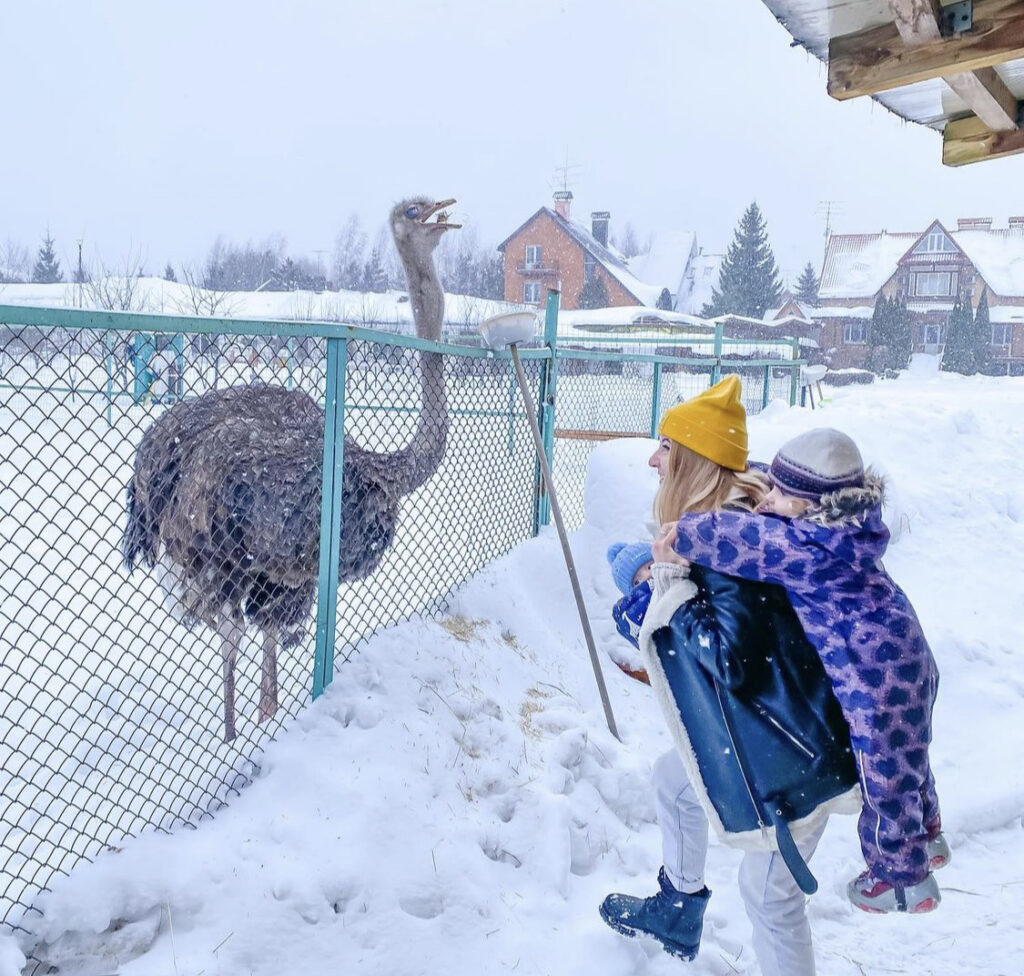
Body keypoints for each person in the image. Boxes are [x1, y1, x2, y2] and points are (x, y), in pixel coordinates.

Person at [599, 377, 860, 976]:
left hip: (791, 756)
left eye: (666, 445)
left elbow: (731, 658)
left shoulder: (731, 542)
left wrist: (662, 587)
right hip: (766, 736)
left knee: (770, 897)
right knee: (674, 779)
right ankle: (679, 905)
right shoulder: (728, 524)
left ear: (692, 460)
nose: (652, 458)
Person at [667, 427, 947, 914]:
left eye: (779, 493)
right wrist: (755, 477)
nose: (768, 499)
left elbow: (743, 539)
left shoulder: (809, 548)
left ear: (811, 503)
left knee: (881, 772)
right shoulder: (847, 527)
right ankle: (927, 835)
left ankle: (901, 879)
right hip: (906, 651)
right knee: (909, 758)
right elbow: (778, 511)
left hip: (874, 672)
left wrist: (683, 535)